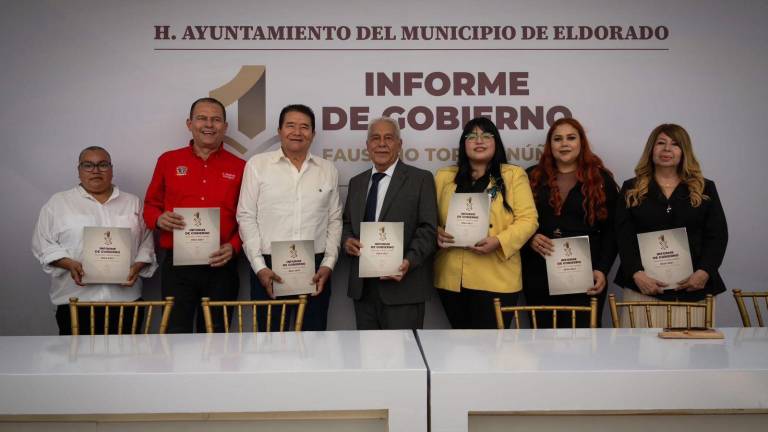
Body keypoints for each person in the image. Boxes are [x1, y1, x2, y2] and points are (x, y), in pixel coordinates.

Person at [144, 97, 245, 333]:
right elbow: (150, 206)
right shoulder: (168, 161)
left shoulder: (240, 166)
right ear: (189, 124)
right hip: (178, 266)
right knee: (175, 335)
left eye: (216, 119)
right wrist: (158, 219)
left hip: (222, 266)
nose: (209, 125)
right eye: (202, 118)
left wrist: (234, 246)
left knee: (217, 338)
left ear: (225, 127)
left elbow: (248, 218)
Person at [236, 104, 342, 331]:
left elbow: (334, 220)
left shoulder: (327, 169)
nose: (297, 132)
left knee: (314, 342)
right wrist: (259, 267)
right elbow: (246, 216)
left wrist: (328, 264)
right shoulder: (257, 165)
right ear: (279, 131)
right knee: (270, 343)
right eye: (290, 125)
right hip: (268, 266)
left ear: (313, 134)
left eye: (305, 127)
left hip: (316, 267)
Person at [32, 146, 157, 335]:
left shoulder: (133, 202)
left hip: (125, 301)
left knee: (128, 360)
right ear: (79, 170)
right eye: (88, 165)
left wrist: (137, 267)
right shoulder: (58, 203)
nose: (96, 170)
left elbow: (147, 242)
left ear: (112, 169)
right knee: (77, 361)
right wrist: (68, 264)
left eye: (103, 165)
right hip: (75, 300)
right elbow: (42, 243)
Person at [615, 123, 728, 326]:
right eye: (661, 143)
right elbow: (623, 236)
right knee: (635, 355)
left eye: (675, 144)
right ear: (651, 149)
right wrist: (636, 273)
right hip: (643, 289)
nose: (667, 149)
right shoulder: (631, 188)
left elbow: (717, 235)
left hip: (694, 289)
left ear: (684, 152)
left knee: (694, 355)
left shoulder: (704, 188)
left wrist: (704, 272)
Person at [434, 117, 538, 329]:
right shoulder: (444, 177)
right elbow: (427, 218)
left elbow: (529, 220)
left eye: (486, 136)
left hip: (496, 278)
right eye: (471, 136)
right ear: (464, 144)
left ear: (496, 142)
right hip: (452, 278)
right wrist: (436, 231)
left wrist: (499, 241)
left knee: (491, 354)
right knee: (459, 351)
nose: (478, 141)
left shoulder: (513, 175)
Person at [521, 118, 619, 327]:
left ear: (581, 142)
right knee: (542, 344)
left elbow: (612, 231)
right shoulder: (531, 177)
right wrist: (529, 237)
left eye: (571, 138)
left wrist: (602, 269)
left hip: (586, 277)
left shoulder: (601, 179)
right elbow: (515, 220)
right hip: (539, 275)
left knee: (583, 344)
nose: (564, 144)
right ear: (550, 146)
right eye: (557, 139)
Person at [342, 117, 438, 330]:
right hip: (364, 290)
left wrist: (408, 262)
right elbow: (347, 223)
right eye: (375, 138)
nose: (382, 143)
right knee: (368, 357)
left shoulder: (420, 179)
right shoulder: (356, 182)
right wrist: (347, 240)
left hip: (403, 287)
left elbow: (428, 229)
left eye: (389, 138)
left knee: (405, 359)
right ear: (367, 146)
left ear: (399, 144)